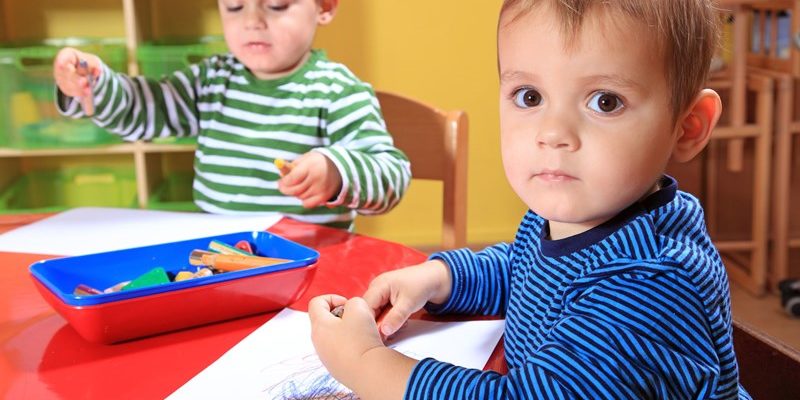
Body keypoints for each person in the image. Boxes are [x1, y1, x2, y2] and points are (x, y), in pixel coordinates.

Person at [308, 0, 752, 398]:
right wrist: (442, 277)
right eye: (530, 96)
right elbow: (527, 270)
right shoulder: (575, 216)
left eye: (605, 101)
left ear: (688, 126)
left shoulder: (650, 285)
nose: (552, 133)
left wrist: (365, 362)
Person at [52, 0, 411, 230]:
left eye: (276, 5)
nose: (252, 21)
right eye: (235, 6)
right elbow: (148, 111)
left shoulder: (337, 90)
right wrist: (92, 85)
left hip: (311, 268)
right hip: (219, 262)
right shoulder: (212, 78)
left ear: (325, 6)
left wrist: (337, 171)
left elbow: (392, 175)